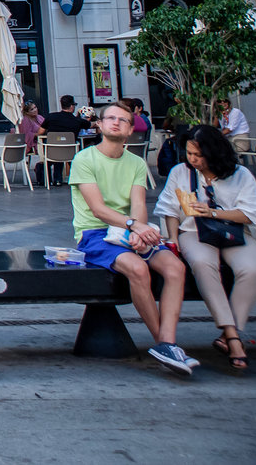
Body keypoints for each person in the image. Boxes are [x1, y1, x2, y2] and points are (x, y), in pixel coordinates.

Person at [69, 100, 196, 376]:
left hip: (129, 229)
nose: (116, 122)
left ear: (130, 130)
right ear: (99, 125)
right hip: (95, 234)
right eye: (110, 118)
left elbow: (139, 203)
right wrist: (133, 227)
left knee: (175, 268)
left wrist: (137, 229)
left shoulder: (136, 163)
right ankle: (164, 343)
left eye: (122, 120)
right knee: (138, 269)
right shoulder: (84, 159)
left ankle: (168, 341)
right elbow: (98, 209)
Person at [153, 125, 256, 372]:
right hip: (193, 232)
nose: (193, 159)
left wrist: (213, 212)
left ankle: (229, 334)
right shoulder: (181, 172)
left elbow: (251, 214)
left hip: (233, 231)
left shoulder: (240, 174)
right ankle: (232, 336)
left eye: (198, 155)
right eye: (190, 154)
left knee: (252, 269)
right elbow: (169, 208)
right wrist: (173, 238)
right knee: (203, 264)